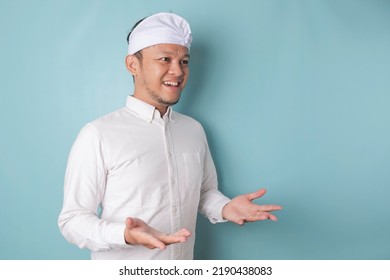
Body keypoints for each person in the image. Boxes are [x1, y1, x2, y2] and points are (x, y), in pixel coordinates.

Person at [58, 12, 282, 260]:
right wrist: (124, 234)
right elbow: (72, 220)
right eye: (165, 59)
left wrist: (225, 208)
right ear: (133, 64)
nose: (177, 71)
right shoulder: (98, 134)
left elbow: (204, 192)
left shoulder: (193, 130)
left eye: (184, 62)